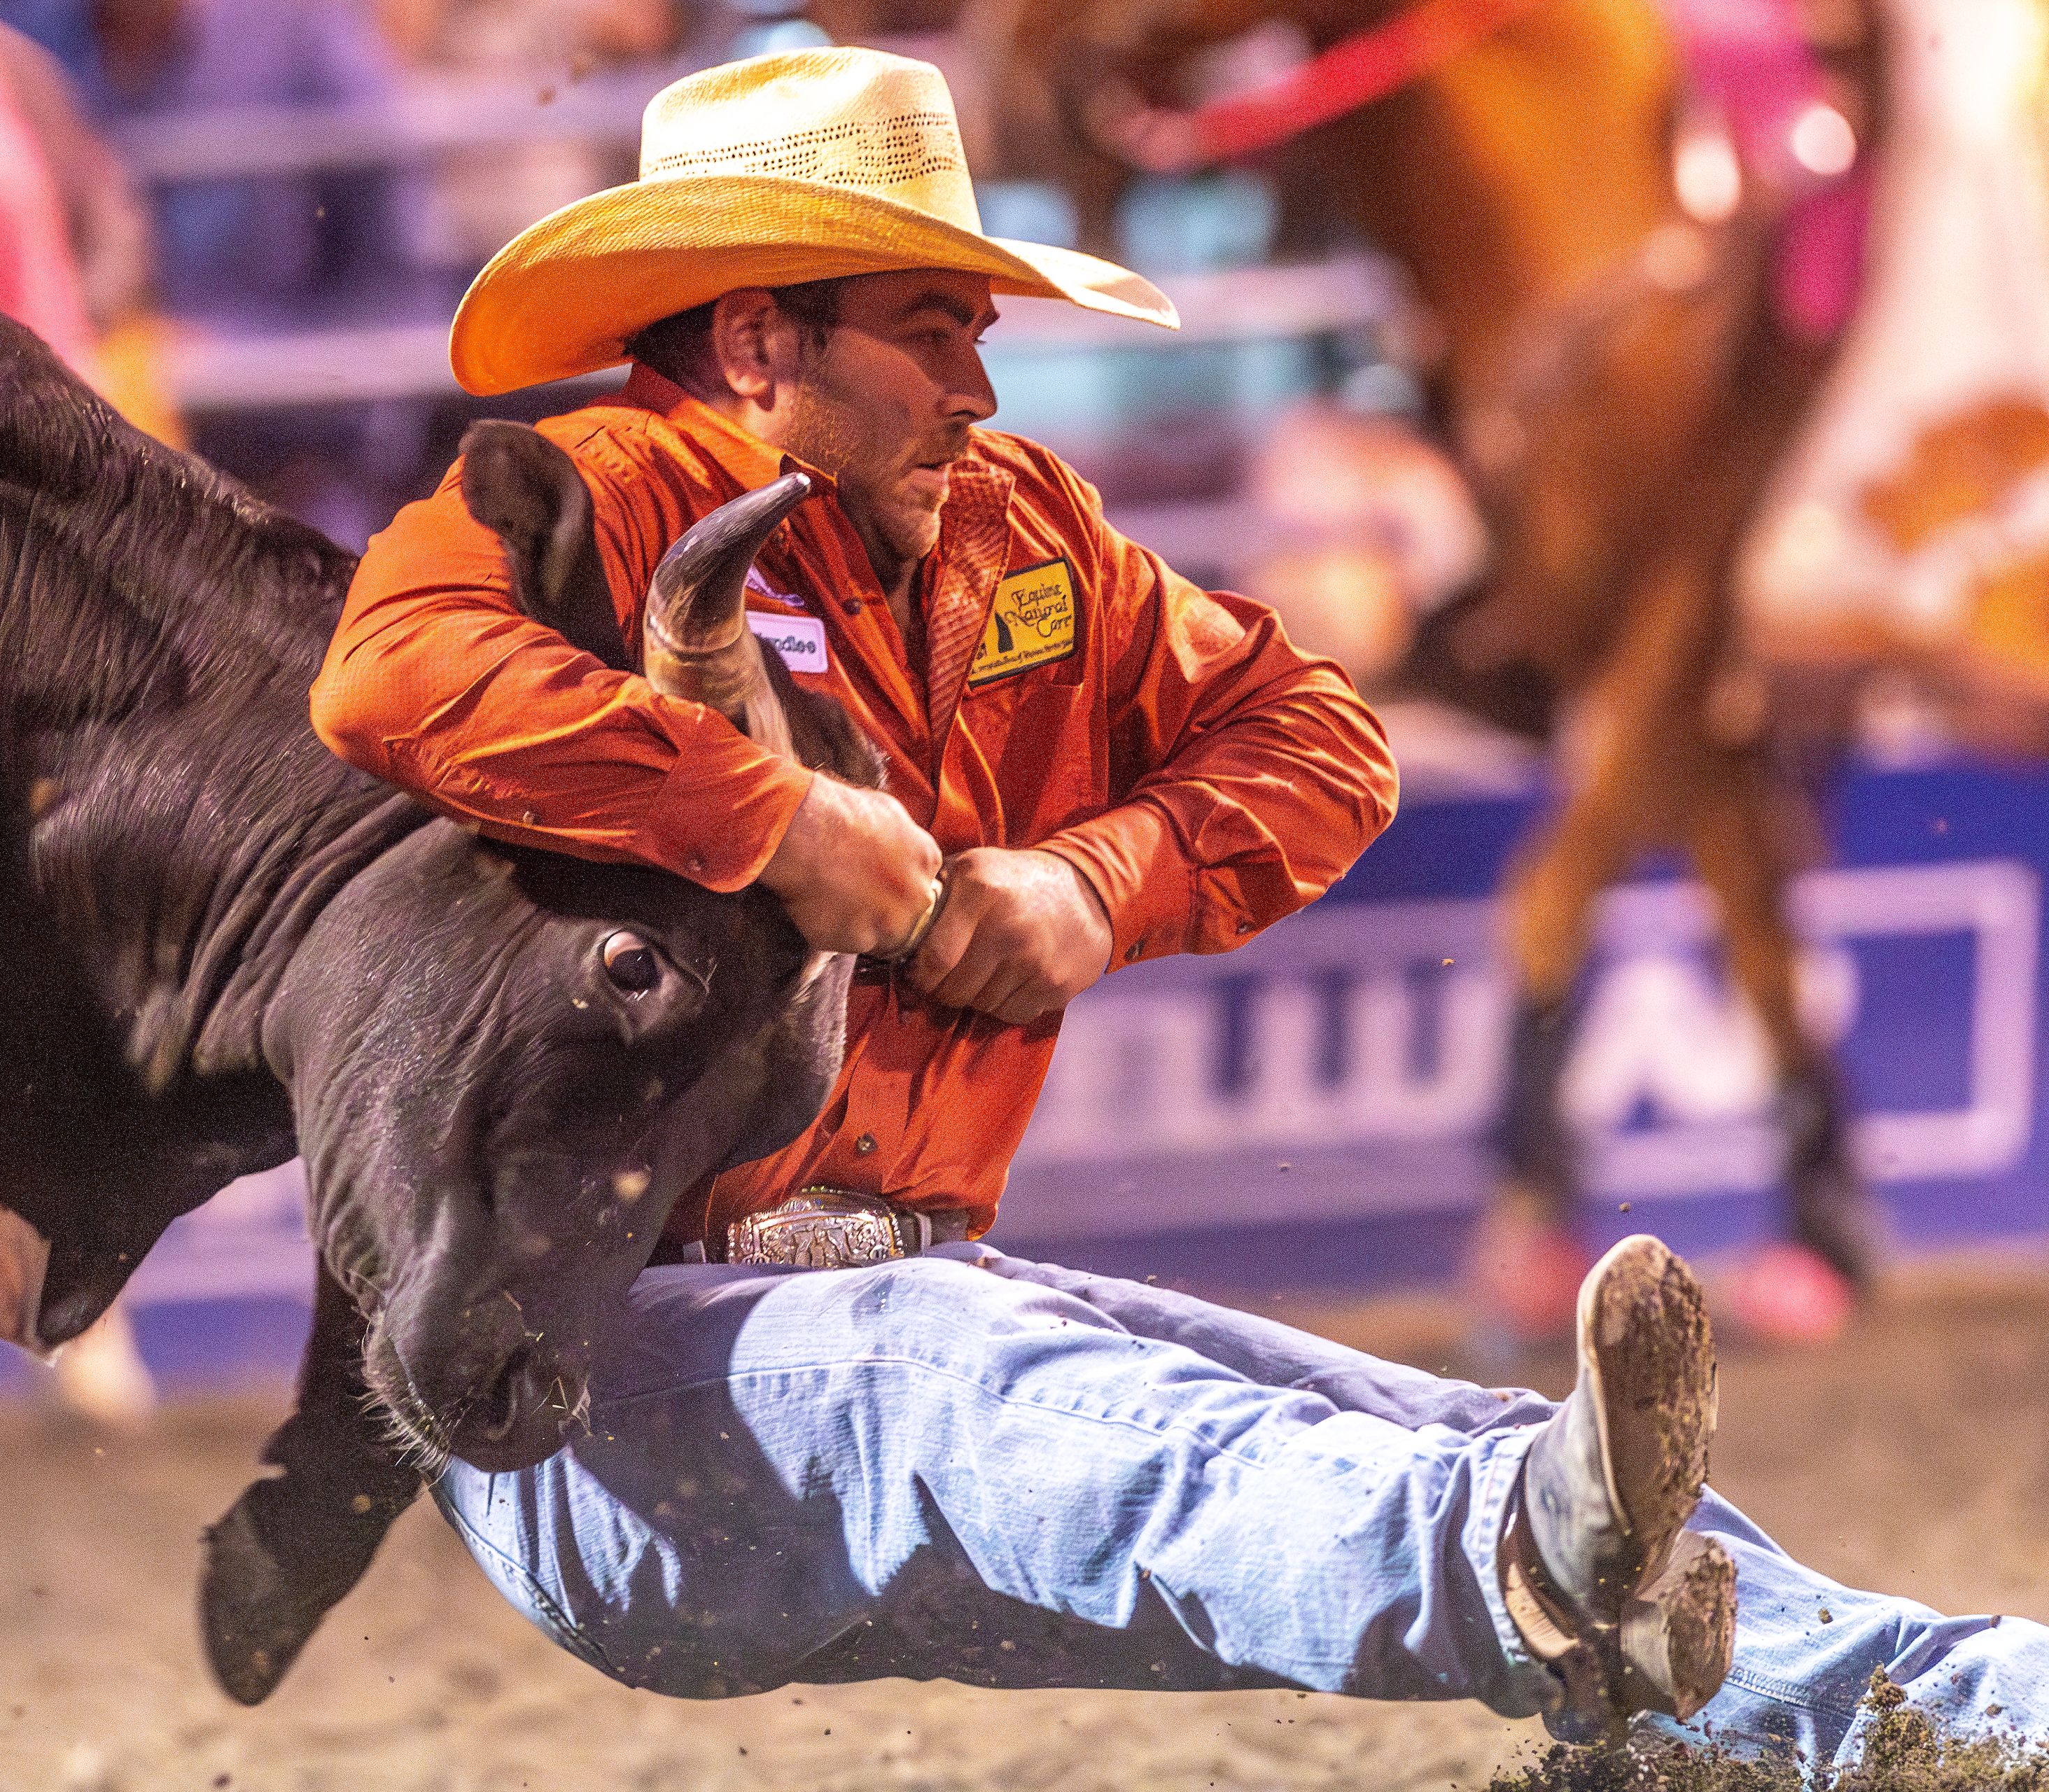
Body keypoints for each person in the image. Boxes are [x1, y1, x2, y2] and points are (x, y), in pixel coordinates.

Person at [308, 46, 2047, 1765]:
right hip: (593, 1380)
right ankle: (1518, 1559)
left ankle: (1957, 1705)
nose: (980, 387)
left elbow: (1316, 730)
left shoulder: (1024, 530)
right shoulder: (580, 496)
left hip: (904, 1310)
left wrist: (1097, 874)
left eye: (978, 331)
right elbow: (389, 672)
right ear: (761, 340)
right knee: (1095, 1393)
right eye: (933, 327)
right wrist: (770, 822)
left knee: (1380, 1415)